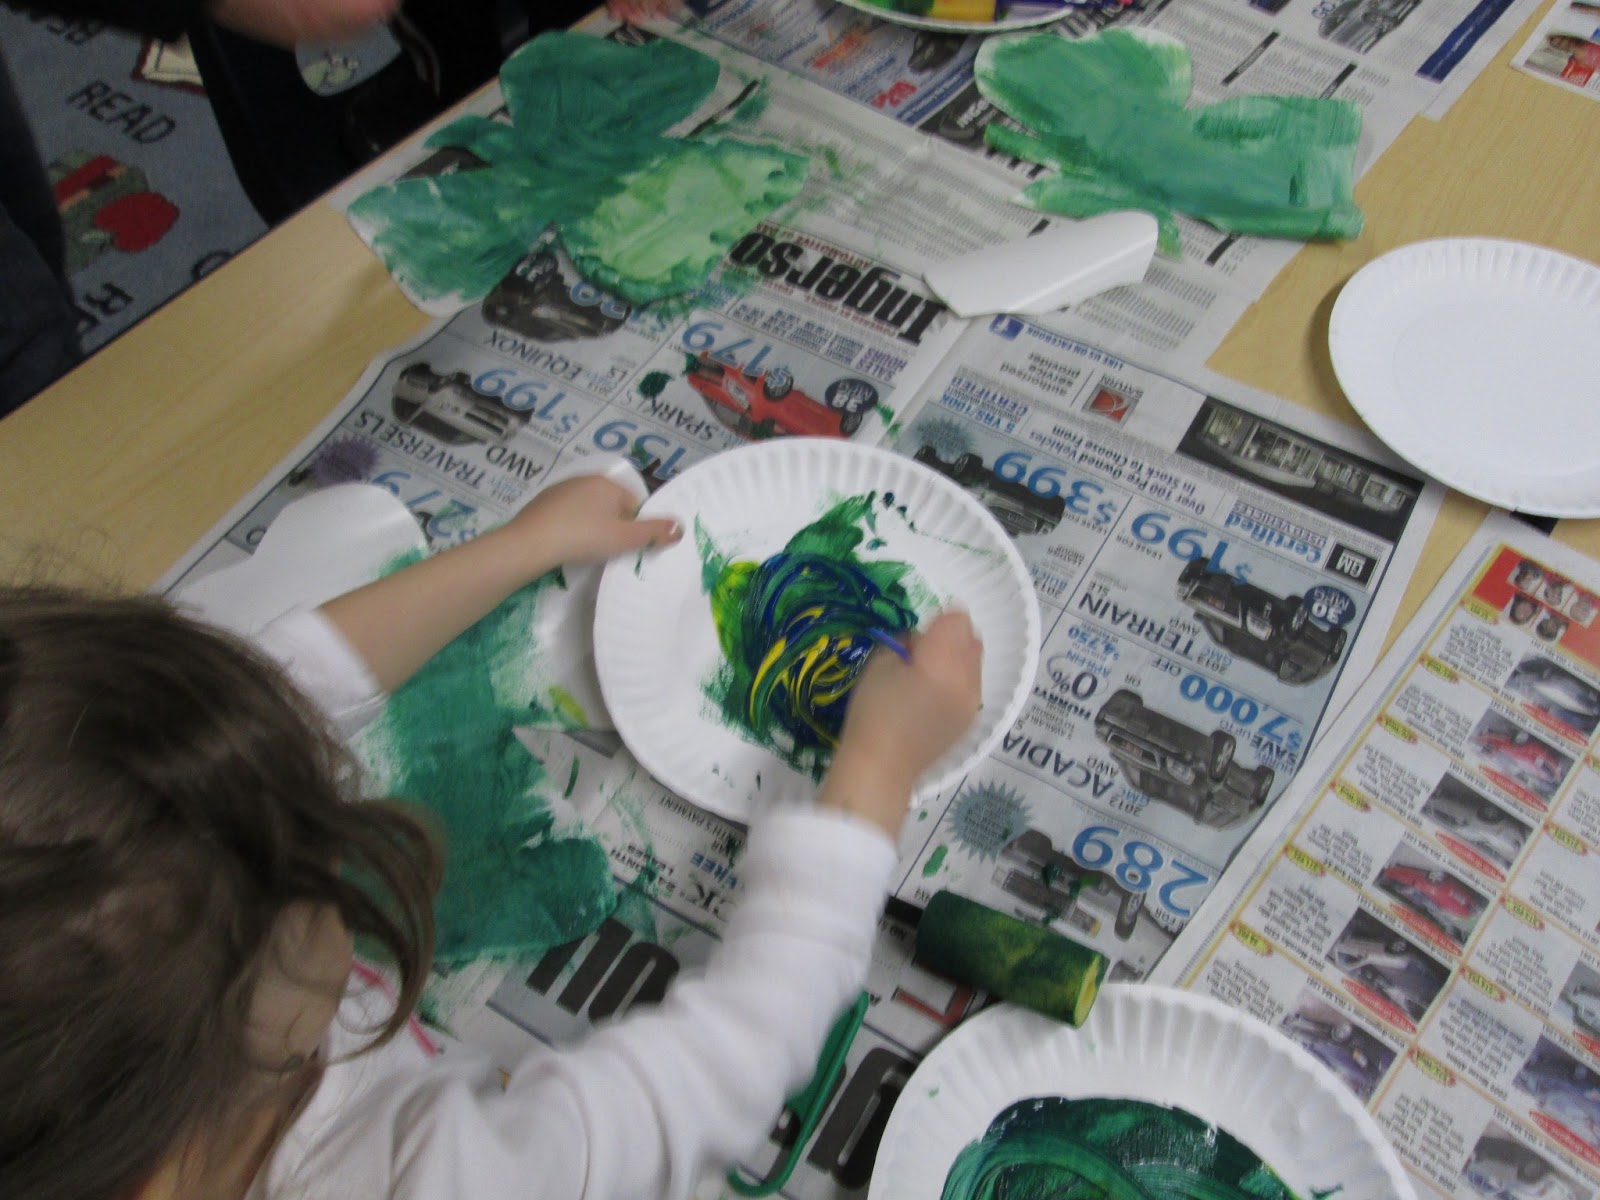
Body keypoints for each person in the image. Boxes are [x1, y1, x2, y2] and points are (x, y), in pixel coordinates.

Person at [0, 471, 984, 1200]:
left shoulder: (125, 1051)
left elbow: (277, 688)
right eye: (314, 869)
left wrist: (517, 548)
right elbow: (721, 1070)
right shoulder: (420, 1177)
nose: (338, 840)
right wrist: (876, 768)